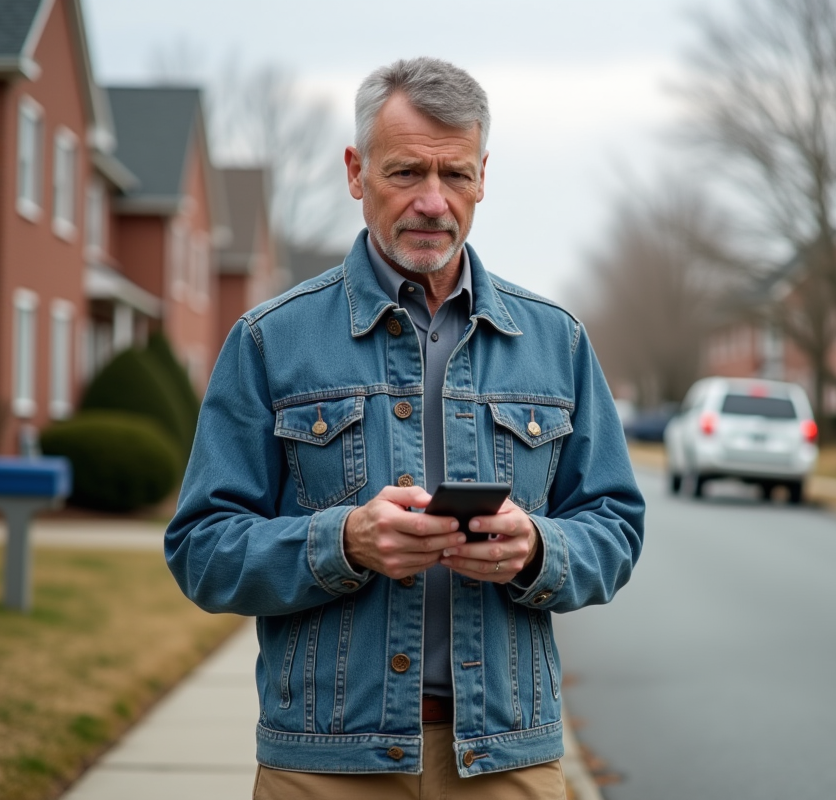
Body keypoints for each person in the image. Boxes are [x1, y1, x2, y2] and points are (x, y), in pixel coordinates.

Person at [165, 57, 645, 799]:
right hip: (323, 766)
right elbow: (201, 549)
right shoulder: (270, 339)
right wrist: (343, 541)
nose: (432, 201)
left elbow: (614, 529)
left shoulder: (559, 342)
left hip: (509, 762)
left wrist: (539, 548)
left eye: (455, 175)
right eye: (405, 173)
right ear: (356, 172)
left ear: (483, 175)